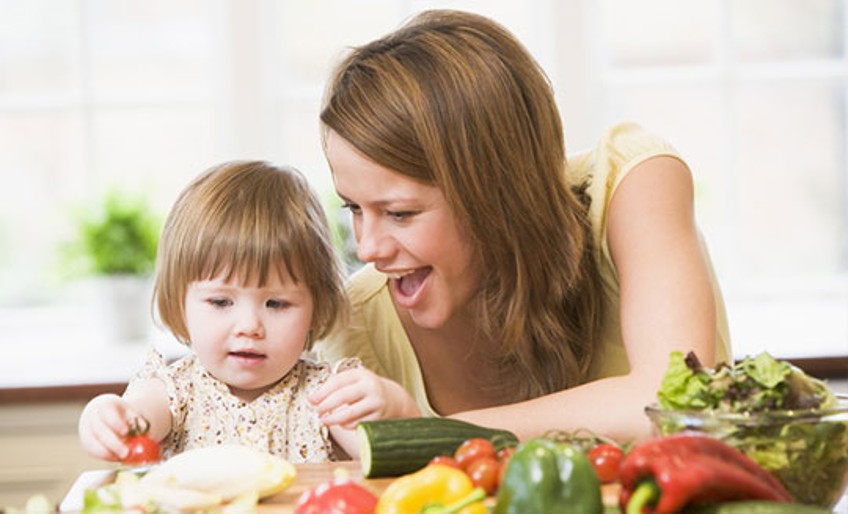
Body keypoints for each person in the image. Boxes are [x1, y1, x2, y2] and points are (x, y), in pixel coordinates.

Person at [311, 9, 731, 443]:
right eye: (353, 209)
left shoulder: (633, 185)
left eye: (400, 213)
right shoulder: (360, 323)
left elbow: (675, 406)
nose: (368, 249)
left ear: (495, 193)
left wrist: (430, 433)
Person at [78, 161, 419, 463]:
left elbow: (392, 456)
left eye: (277, 304)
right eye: (221, 302)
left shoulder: (325, 395)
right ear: (179, 303)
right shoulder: (175, 392)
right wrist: (105, 416)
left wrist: (396, 407)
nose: (249, 326)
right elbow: (135, 419)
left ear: (315, 309)